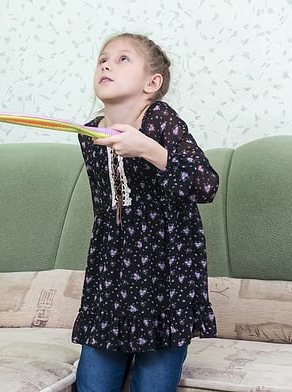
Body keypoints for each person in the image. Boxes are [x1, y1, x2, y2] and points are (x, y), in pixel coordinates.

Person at [73, 32, 219, 392]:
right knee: (92, 385)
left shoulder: (160, 121)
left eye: (123, 59)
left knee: (153, 387)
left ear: (152, 83)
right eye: (102, 59)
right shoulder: (89, 133)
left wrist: (149, 149)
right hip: (112, 277)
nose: (107, 64)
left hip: (166, 276)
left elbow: (206, 184)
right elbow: (110, 211)